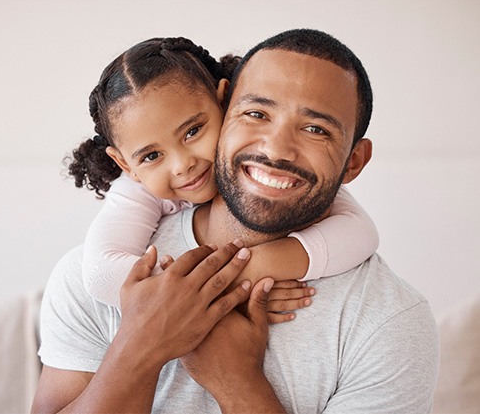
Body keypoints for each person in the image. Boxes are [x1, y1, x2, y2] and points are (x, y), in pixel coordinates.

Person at [32, 29, 439, 413]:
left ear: (354, 161)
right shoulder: (93, 276)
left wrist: (237, 381)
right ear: (227, 110)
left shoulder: (391, 323)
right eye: (257, 113)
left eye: (315, 129)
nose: (277, 149)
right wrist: (142, 345)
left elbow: (361, 233)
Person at [65, 37, 379, 313]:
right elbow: (101, 275)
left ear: (224, 102)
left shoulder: (273, 171)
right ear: (126, 165)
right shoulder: (136, 191)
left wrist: (257, 269)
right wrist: (225, 291)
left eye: (192, 132)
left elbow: (361, 233)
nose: (181, 164)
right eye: (151, 156)